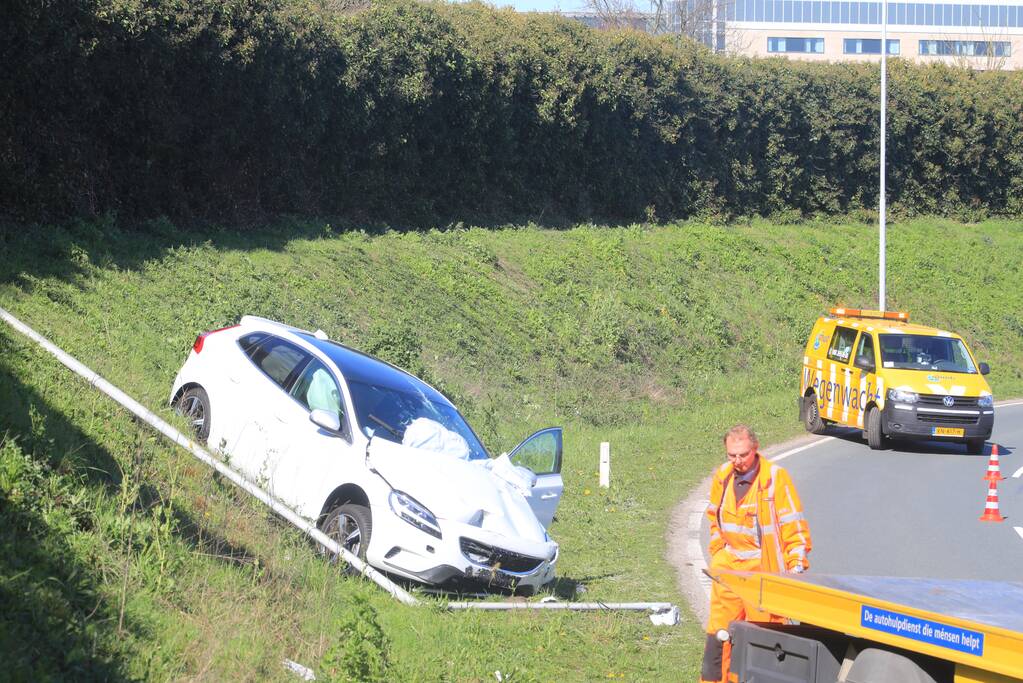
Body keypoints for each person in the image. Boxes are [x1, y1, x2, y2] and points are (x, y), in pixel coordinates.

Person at [699, 425, 812, 683]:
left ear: (755, 448)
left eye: (743, 454)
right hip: (727, 567)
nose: (737, 461)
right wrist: (718, 553)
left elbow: (793, 526)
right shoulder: (723, 476)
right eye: (732, 455)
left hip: (762, 569)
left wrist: (794, 570)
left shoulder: (775, 478)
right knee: (719, 634)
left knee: (762, 638)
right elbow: (714, 518)